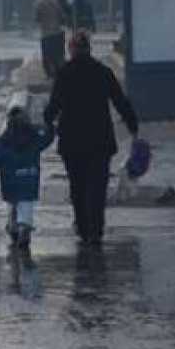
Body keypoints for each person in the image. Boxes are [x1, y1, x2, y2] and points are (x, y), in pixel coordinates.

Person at [44, 31, 139, 245]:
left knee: (77, 185)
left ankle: (82, 225)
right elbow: (120, 101)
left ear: (71, 50)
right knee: (97, 186)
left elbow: (53, 106)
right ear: (89, 49)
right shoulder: (103, 72)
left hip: (72, 141)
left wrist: (46, 119)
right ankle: (96, 228)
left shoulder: (64, 73)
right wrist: (133, 125)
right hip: (100, 140)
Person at [0, 107, 55, 248]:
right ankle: (24, 227)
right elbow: (48, 138)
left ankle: (13, 226)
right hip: (29, 179)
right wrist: (50, 126)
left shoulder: (2, 142)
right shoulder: (34, 139)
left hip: (10, 183)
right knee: (26, 206)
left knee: (13, 205)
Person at [33, 0, 66, 80]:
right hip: (58, 33)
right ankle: (61, 73)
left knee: (47, 55)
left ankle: (50, 75)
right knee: (59, 55)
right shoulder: (55, 1)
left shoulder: (37, 4)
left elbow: (37, 18)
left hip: (46, 34)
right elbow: (62, 15)